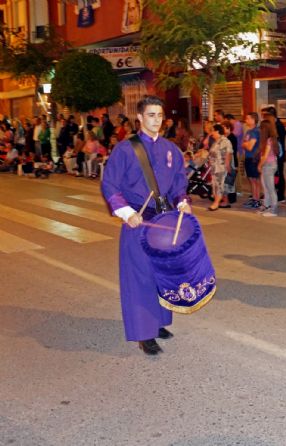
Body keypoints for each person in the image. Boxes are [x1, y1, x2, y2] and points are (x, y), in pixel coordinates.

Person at [101, 95, 191, 356]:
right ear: (139, 117)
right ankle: (144, 332)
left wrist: (183, 201)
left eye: (160, 115)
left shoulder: (171, 150)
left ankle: (159, 321)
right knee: (139, 277)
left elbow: (179, 184)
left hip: (164, 220)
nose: (156, 120)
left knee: (162, 274)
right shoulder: (125, 149)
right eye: (151, 115)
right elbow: (110, 185)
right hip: (138, 219)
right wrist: (126, 212)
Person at [207, 124, 232, 211]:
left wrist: (227, 165)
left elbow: (228, 153)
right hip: (214, 167)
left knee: (219, 185)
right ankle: (223, 201)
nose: (211, 133)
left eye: (212, 131)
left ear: (217, 131)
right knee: (216, 184)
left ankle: (216, 203)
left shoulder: (224, 141)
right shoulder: (216, 141)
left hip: (220, 166)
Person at [257, 119, 279, 217]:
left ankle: (273, 209)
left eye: (261, 128)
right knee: (265, 188)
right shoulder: (266, 140)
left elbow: (265, 156)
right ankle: (266, 205)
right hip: (267, 165)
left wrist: (259, 165)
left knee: (270, 188)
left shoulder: (270, 140)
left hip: (269, 165)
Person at [242, 112, 262, 208]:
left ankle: (257, 199)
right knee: (251, 179)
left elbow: (249, 146)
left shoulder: (255, 132)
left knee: (255, 180)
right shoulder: (249, 131)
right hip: (248, 157)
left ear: (253, 120)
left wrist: (245, 144)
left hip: (253, 158)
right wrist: (245, 144)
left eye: (248, 118)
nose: (246, 120)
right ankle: (254, 198)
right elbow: (244, 143)